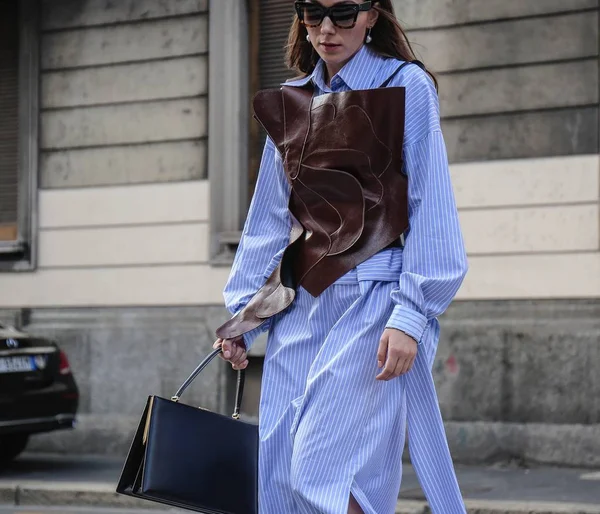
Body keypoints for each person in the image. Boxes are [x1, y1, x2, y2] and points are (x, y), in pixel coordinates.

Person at [213, 1, 468, 513]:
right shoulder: (291, 102)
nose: (326, 28)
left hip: (373, 302)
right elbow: (267, 216)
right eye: (312, 12)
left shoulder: (405, 85)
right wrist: (244, 313)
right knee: (282, 475)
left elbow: (430, 204)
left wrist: (412, 313)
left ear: (373, 15)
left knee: (321, 468)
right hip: (300, 305)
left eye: (344, 13)